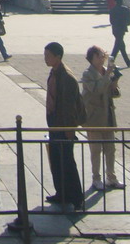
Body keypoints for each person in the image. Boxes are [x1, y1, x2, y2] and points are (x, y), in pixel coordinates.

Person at [43, 41, 85, 211]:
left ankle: (76, 198)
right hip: (54, 123)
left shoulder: (66, 77)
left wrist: (69, 130)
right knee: (56, 161)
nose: (45, 58)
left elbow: (69, 107)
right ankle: (61, 192)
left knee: (67, 163)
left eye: (48, 56)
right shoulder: (54, 72)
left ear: (57, 57)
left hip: (64, 125)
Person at [81, 46, 123, 191]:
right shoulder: (88, 74)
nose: (101, 58)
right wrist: (107, 77)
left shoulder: (106, 71)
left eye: (103, 56)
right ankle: (96, 178)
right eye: (98, 56)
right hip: (94, 116)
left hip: (108, 115)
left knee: (110, 148)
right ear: (91, 58)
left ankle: (111, 177)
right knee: (96, 149)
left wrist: (115, 82)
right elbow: (96, 89)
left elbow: (114, 93)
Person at [108, 0, 130, 67]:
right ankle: (111, 61)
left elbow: (111, 21)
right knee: (118, 46)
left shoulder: (112, 9)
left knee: (120, 45)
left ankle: (127, 62)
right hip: (122, 29)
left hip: (115, 29)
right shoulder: (125, 9)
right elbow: (129, 21)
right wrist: (126, 24)